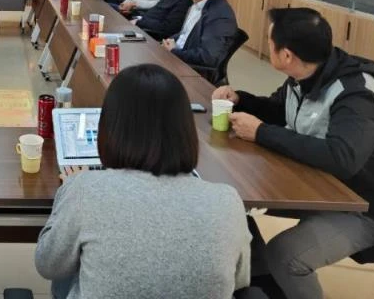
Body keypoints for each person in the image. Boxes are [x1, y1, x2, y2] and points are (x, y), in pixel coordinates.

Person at [35, 64, 252, 299]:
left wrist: (70, 189)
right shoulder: (228, 202)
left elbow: (48, 265)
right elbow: (239, 279)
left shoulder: (85, 190)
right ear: (185, 130)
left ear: (109, 128)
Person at [216, 7, 374, 299]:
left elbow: (342, 157)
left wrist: (261, 132)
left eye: (270, 41)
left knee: (286, 256)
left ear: (287, 54)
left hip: (362, 206)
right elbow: (279, 110)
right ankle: (263, 286)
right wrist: (241, 99)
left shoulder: (356, 93)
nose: (267, 44)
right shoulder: (305, 73)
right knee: (233, 207)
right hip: (317, 186)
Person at [161, 0, 237, 69]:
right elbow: (185, 34)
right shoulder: (197, 3)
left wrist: (173, 51)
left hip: (190, 69)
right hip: (178, 57)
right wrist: (169, 41)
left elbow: (207, 57)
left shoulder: (219, 15)